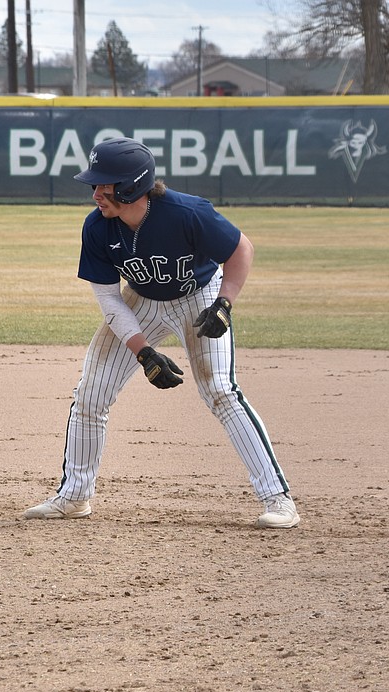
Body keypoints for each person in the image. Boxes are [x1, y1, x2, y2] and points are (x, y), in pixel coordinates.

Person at [23, 137, 300, 529]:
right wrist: (143, 351)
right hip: (140, 301)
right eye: (95, 184)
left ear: (133, 185)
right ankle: (74, 497)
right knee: (90, 393)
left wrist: (224, 303)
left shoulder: (187, 213)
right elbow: (109, 298)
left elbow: (241, 249)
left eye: (106, 185)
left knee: (220, 390)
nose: (97, 193)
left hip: (198, 296)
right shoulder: (97, 228)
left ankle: (279, 499)